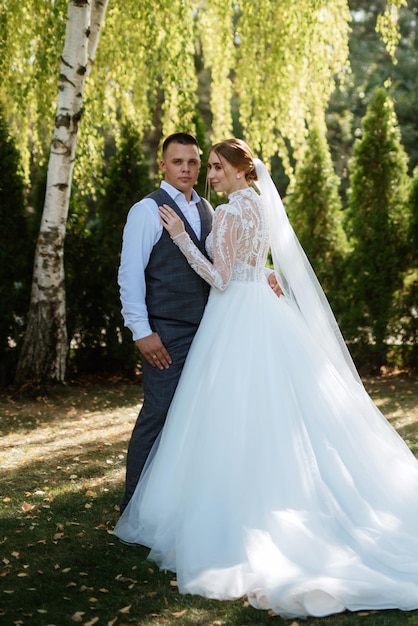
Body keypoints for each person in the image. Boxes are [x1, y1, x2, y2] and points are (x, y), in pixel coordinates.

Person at [114, 138, 418, 618]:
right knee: (263, 414)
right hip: (249, 315)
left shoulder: (228, 211)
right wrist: (262, 273)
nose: (205, 173)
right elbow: (239, 262)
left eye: (212, 166)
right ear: (165, 165)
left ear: (237, 169)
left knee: (230, 414)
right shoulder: (249, 205)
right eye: (195, 164)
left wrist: (180, 239)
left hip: (233, 318)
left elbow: (222, 277)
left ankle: (234, 511)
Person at [117, 133, 280, 513]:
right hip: (168, 332)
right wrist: (142, 332)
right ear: (163, 165)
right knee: (158, 414)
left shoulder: (211, 208)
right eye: (179, 162)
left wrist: (263, 273)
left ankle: (183, 504)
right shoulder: (146, 210)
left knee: (203, 419)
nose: (189, 169)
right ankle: (133, 505)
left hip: (213, 330)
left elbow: (230, 262)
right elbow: (130, 276)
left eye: (195, 162)